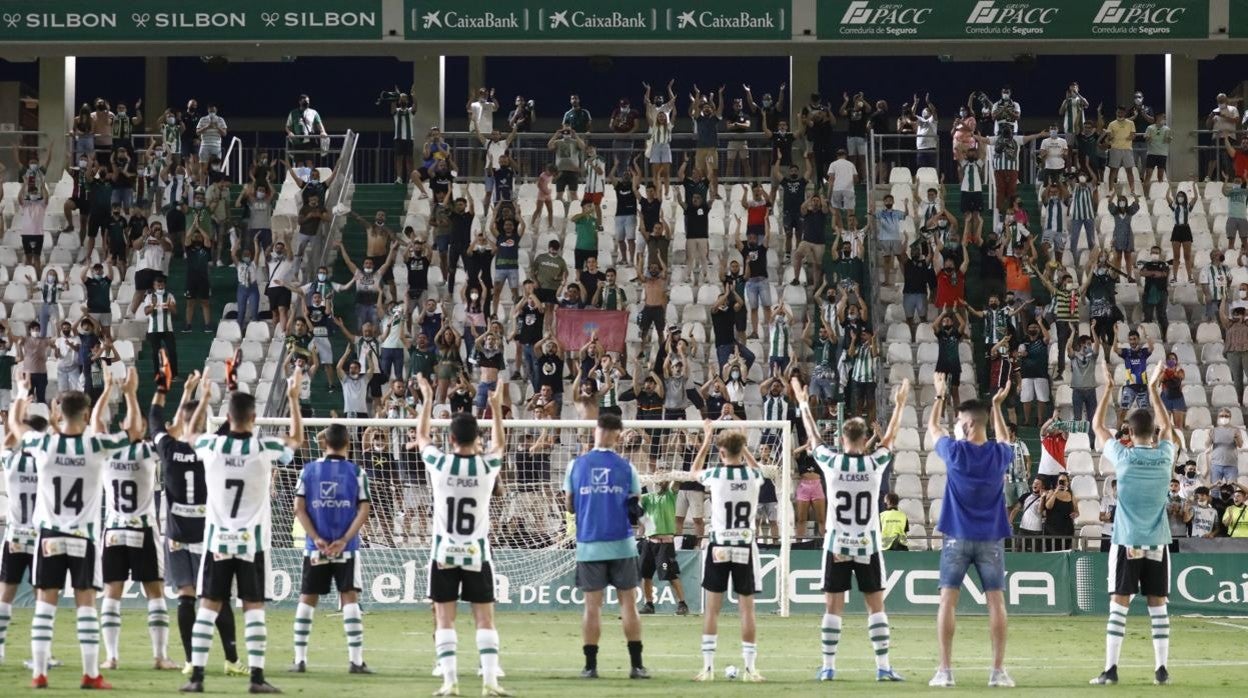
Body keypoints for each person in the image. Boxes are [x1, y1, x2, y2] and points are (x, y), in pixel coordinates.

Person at [10, 368, 139, 689]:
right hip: (84, 536)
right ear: (85, 412)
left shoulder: (43, 445)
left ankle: (39, 674)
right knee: (85, 604)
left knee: (44, 604)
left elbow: (14, 425)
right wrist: (130, 393)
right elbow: (134, 432)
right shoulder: (96, 446)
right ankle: (91, 673)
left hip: (49, 536)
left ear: (58, 411)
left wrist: (21, 392)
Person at [181, 378, 304, 694]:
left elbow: (190, 435)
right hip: (253, 543)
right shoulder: (264, 448)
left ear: (229, 417)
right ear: (253, 418)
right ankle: (257, 678)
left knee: (208, 606)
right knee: (253, 608)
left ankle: (196, 677)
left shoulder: (214, 445)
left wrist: (204, 397)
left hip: (217, 541)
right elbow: (296, 440)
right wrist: (292, 398)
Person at [794, 377, 910, 683]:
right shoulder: (874, 464)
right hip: (868, 544)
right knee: (876, 605)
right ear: (863, 438)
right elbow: (890, 439)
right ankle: (883, 667)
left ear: (844, 438)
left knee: (833, 606)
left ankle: (829, 666)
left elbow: (814, 437)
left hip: (837, 544)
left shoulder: (831, 462)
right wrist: (899, 405)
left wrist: (804, 403)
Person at [414, 376, 509, 696]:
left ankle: (450, 682)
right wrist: (495, 408)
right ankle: (490, 683)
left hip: (444, 553)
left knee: (444, 618)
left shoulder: (440, 463)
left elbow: (422, 436)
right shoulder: (486, 468)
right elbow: (499, 445)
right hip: (476, 553)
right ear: (474, 438)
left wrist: (428, 399)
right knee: (484, 618)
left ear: (451, 438)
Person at [149, 372, 245, 676]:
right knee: (216, 597)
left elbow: (154, 418)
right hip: (208, 535)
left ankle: (191, 661)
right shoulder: (213, 447)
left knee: (186, 597)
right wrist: (228, 386)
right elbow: (233, 420)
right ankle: (231, 660)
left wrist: (166, 390)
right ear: (204, 423)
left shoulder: (168, 449)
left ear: (181, 423)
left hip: (176, 535)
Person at [1090, 357, 1176, 686]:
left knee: (1119, 605)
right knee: (1158, 606)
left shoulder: (1123, 457)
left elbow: (1098, 428)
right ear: (1153, 431)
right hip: (1158, 541)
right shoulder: (1165, 455)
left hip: (1127, 540)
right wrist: (1153, 388)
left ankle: (1111, 670)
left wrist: (1109, 390)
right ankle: (1161, 669)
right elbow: (1168, 427)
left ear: (1128, 431)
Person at [926, 374, 1015, 688]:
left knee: (947, 602)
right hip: (990, 539)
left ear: (967, 425)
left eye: (962, 420)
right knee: (996, 603)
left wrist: (939, 396)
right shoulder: (998, 455)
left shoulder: (955, 452)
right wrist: (997, 407)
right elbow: (1007, 441)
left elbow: (932, 429)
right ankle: (997, 671)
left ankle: (945, 671)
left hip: (956, 538)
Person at [563, 413, 649, 680]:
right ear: (618, 435)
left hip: (590, 543)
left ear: (596, 432)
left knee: (592, 607)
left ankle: (590, 666)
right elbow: (636, 509)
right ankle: (636, 665)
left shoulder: (576, 466)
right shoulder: (627, 468)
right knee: (629, 605)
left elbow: (569, 506)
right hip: (622, 544)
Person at [99, 407, 181, 671]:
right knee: (155, 593)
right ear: (142, 429)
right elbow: (175, 433)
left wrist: (113, 389)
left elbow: (96, 425)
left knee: (112, 593)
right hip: (142, 529)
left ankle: (111, 657)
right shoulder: (147, 451)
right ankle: (160, 656)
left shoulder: (106, 451)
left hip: (113, 530)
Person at [289, 424, 373, 674]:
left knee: (307, 598)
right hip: (346, 548)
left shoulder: (309, 470)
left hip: (316, 547)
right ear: (348, 443)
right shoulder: (357, 473)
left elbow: (298, 508)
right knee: (349, 597)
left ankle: (300, 659)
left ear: (324, 442)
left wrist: (316, 538)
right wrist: (345, 539)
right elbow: (364, 509)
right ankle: (356, 662)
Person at [688, 420, 765, 683]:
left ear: (721, 452)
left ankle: (707, 669)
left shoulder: (716, 475)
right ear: (741, 449)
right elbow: (759, 470)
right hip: (744, 544)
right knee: (747, 610)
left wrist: (707, 438)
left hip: (719, 545)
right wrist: (745, 449)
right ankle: (750, 669)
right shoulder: (753, 476)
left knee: (712, 610)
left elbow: (693, 471)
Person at [0, 407, 48, 665]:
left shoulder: (12, 462)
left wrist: (12, 423)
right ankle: (42, 655)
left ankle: (0, 650)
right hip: (41, 538)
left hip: (15, 536)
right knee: (44, 595)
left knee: (5, 594)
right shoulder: (47, 463)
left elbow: (7, 444)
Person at [637, 480, 688, 616]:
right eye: (656, 478)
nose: (658, 481)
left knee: (670, 575)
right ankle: (649, 604)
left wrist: (673, 476)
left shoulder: (670, 494)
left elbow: (675, 483)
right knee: (645, 575)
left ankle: (682, 604)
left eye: (662, 477)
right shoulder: (648, 497)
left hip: (665, 543)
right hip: (648, 542)